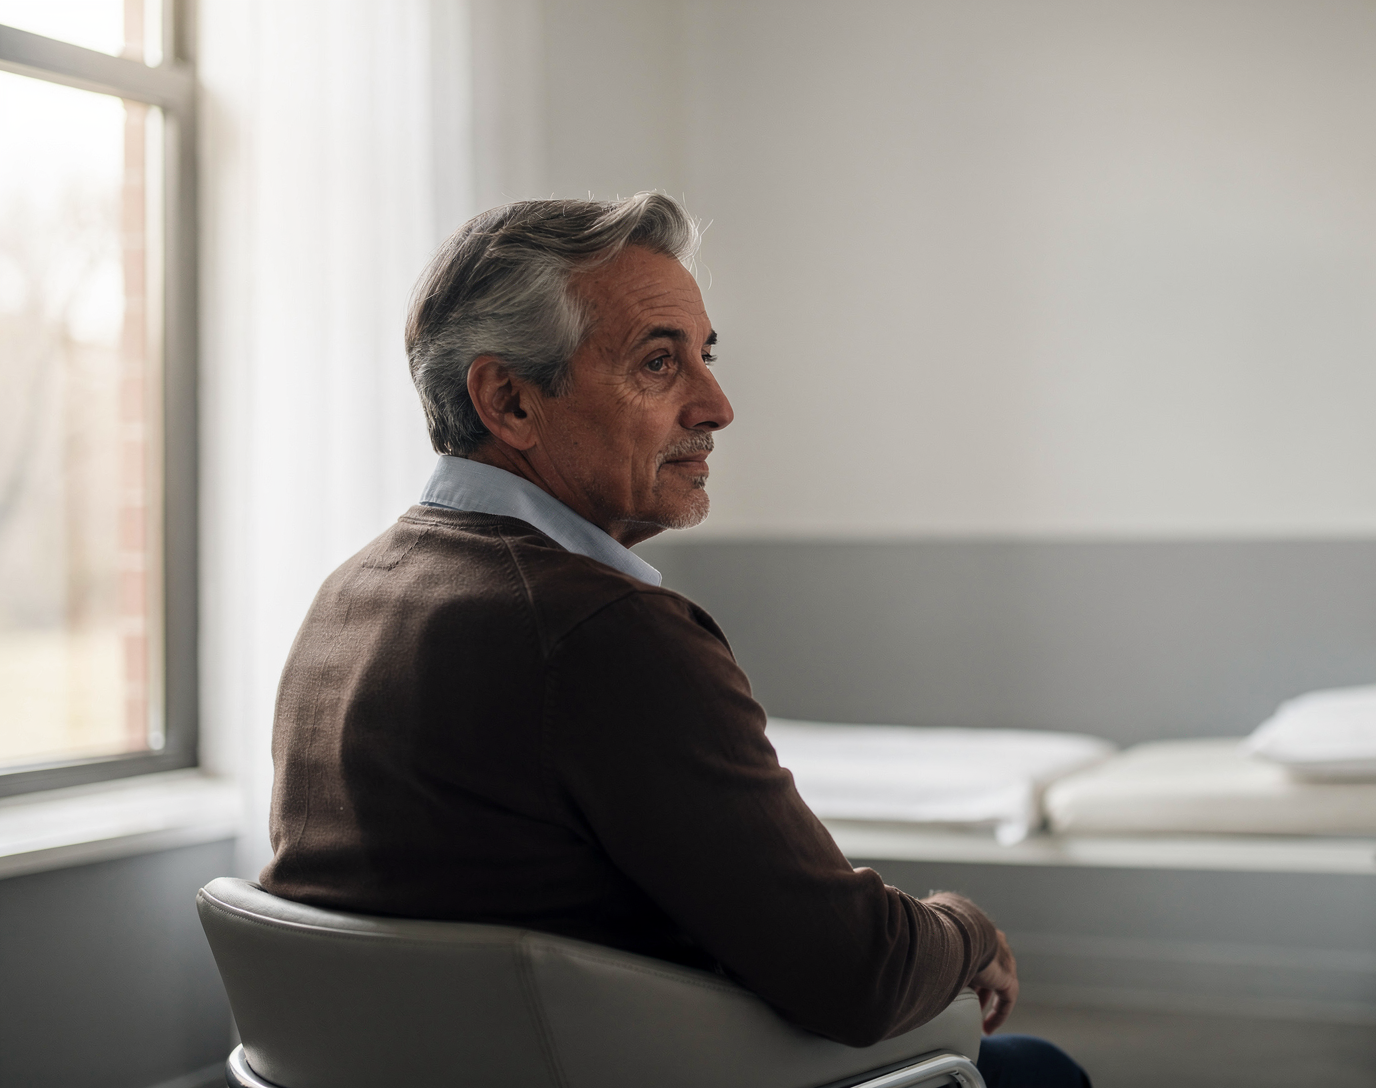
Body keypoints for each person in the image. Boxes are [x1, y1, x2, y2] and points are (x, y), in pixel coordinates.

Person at [261, 194, 1089, 1087]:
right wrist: (969, 928)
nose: (719, 405)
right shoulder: (601, 633)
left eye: (706, 357)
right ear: (509, 401)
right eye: (659, 363)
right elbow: (862, 977)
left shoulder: (349, 595)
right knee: (1036, 1068)